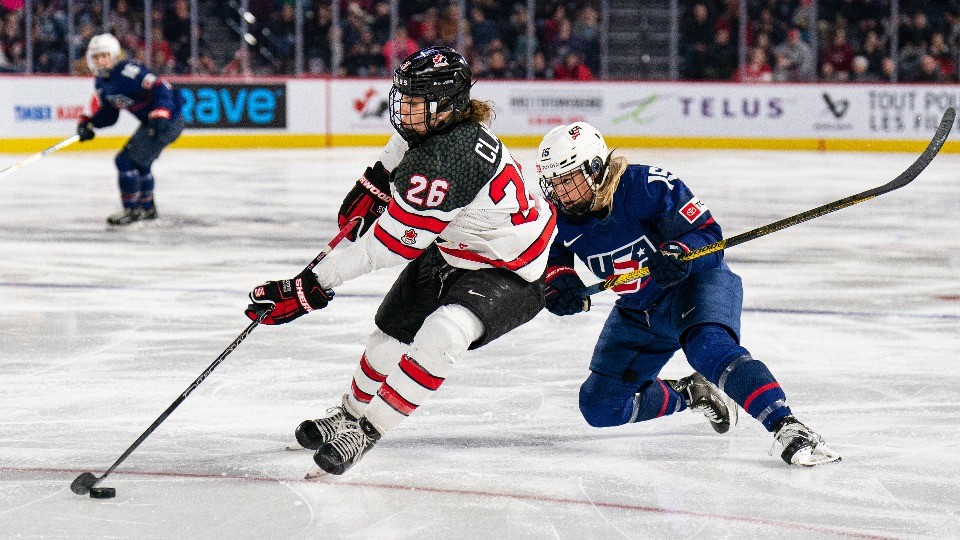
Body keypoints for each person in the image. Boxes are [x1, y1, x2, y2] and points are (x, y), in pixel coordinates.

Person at [246, 46, 556, 477]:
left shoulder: (444, 162)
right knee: (390, 334)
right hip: (454, 246)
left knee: (444, 331)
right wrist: (377, 178)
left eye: (415, 101)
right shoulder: (442, 128)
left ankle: (368, 430)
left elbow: (387, 247)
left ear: (446, 106)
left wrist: (311, 285)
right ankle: (350, 413)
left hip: (511, 269)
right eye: (404, 97)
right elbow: (405, 141)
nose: (403, 109)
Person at [536, 122, 841, 467]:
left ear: (595, 169)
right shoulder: (558, 214)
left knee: (709, 349)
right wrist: (559, 281)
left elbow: (709, 235)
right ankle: (690, 393)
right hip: (638, 308)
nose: (560, 193)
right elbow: (551, 253)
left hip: (695, 285)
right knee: (600, 406)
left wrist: (678, 252)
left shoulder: (646, 186)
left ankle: (787, 426)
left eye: (568, 180)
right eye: (555, 183)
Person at [76, 33, 184, 226]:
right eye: (96, 57)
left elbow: (162, 88)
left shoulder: (129, 71)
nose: (100, 61)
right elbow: (110, 113)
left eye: (104, 56)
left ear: (115, 54)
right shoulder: (102, 83)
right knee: (141, 164)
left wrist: (161, 113)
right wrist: (92, 123)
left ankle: (132, 210)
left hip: (168, 121)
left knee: (124, 161)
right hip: (153, 122)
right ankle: (147, 208)